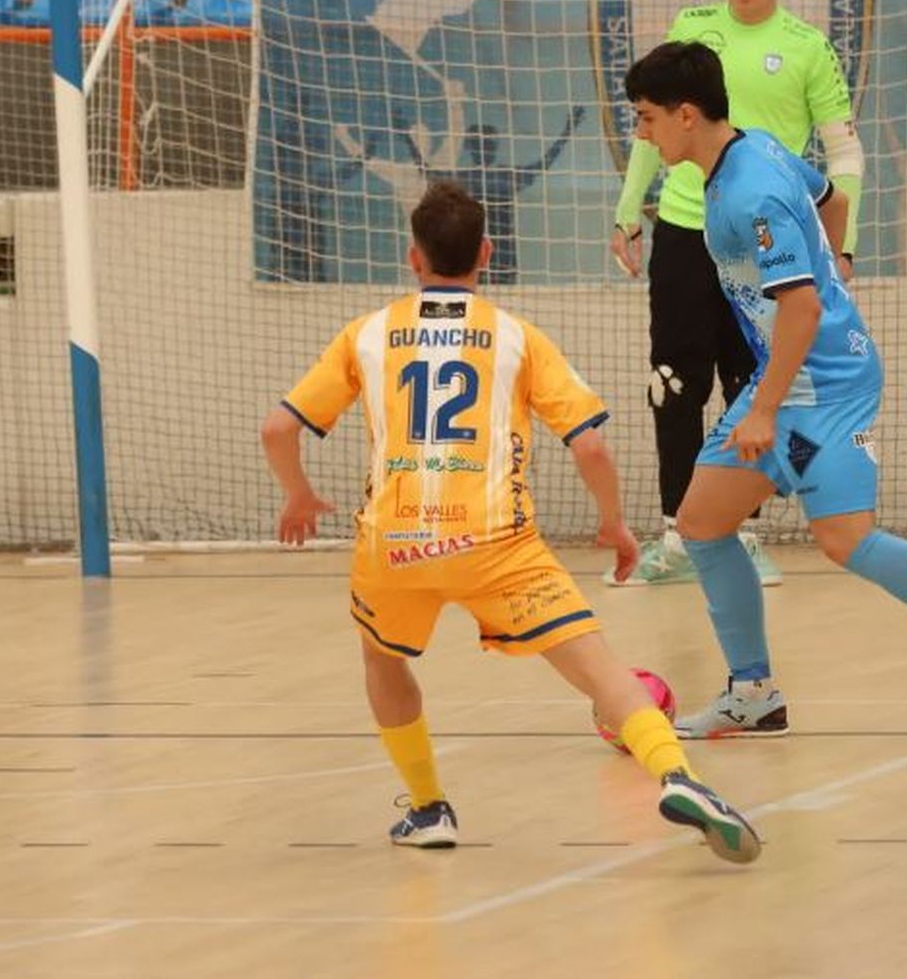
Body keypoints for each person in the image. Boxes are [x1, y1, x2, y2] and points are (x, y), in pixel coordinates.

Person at [259, 181, 761, 863]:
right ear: (487, 253)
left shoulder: (368, 334)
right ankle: (678, 775)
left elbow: (277, 428)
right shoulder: (516, 338)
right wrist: (614, 525)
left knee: (383, 659)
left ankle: (430, 807)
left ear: (413, 258)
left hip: (394, 542)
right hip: (496, 542)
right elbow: (589, 444)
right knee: (596, 665)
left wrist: (298, 496)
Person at [623, 41, 907, 739]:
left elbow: (803, 307)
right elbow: (831, 199)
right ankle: (752, 690)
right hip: (785, 377)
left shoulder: (750, 191)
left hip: (827, 385)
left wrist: (763, 405)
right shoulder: (753, 153)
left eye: (645, 118)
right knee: (700, 523)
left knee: (845, 539)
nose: (641, 132)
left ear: (686, 115)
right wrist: (835, 262)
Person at [607, 0, 866, 586]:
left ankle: (738, 532)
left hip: (764, 241)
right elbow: (649, 124)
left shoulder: (808, 48)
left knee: (748, 380)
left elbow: (842, 156)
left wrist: (843, 248)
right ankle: (675, 532)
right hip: (688, 229)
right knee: (672, 379)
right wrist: (628, 209)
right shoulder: (692, 30)